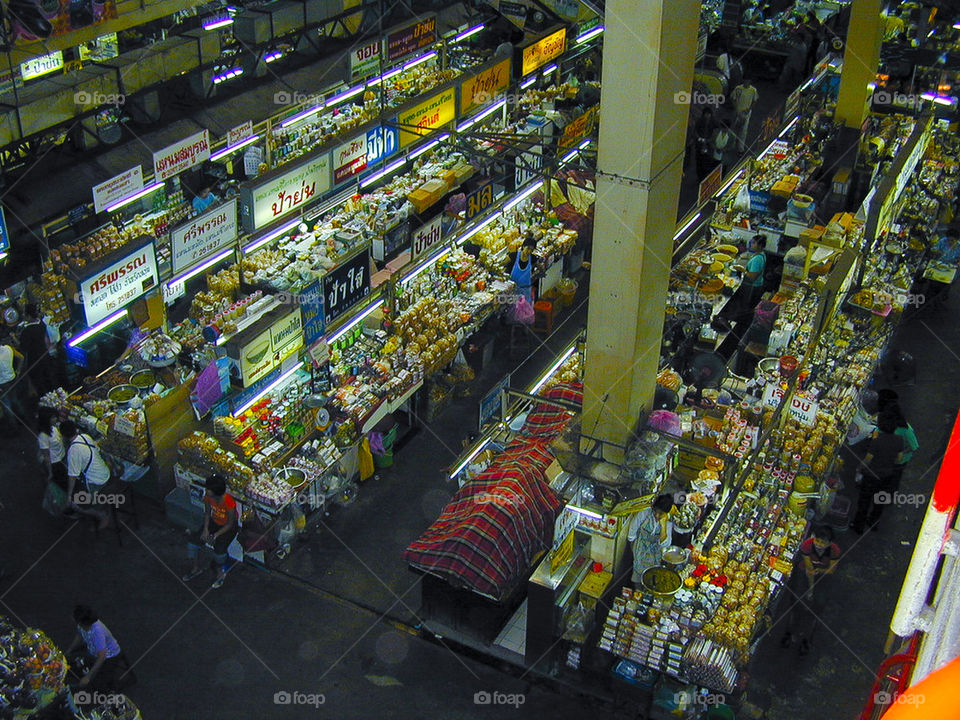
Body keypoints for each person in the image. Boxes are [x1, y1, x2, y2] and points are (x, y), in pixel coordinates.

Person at [779, 525, 840, 655]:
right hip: (806, 575)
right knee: (796, 605)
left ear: (830, 543)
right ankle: (789, 633)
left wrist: (820, 571)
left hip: (823, 578)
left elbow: (832, 569)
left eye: (823, 542)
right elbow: (809, 569)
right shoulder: (807, 546)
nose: (819, 545)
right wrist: (810, 591)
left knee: (816, 610)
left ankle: (807, 640)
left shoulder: (834, 551)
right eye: (818, 541)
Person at [851, 413, 905, 534]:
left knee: (864, 501)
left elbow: (868, 459)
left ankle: (858, 526)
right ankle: (873, 523)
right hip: (887, 476)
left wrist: (859, 468)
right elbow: (899, 459)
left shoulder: (877, 441)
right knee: (879, 502)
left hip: (871, 476)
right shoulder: (899, 440)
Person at [183, 474, 238, 589]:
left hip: (227, 528)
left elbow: (230, 523)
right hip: (214, 523)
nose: (207, 490)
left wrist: (216, 535)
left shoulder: (228, 501)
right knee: (192, 543)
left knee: (219, 552)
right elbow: (207, 513)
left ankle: (220, 574)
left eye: (209, 489)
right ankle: (195, 568)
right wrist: (206, 529)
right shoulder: (208, 497)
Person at [62, 420, 112, 528]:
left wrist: (69, 496)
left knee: (76, 505)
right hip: (106, 472)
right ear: (75, 429)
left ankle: (102, 515)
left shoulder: (73, 451)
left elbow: (72, 477)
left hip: (97, 482)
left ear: (64, 436)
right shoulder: (85, 436)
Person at [66, 605, 124, 691]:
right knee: (74, 665)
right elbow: (79, 635)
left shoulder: (97, 633)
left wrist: (87, 677)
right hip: (93, 650)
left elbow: (102, 657)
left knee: (97, 687)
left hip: (109, 657)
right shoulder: (82, 625)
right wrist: (70, 649)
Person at [627, 494, 674, 584]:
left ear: (666, 513)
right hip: (640, 551)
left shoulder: (668, 522)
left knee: (651, 578)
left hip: (655, 556)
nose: (656, 515)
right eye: (655, 511)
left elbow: (665, 544)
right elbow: (632, 533)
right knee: (637, 577)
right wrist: (634, 550)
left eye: (661, 514)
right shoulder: (644, 513)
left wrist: (663, 525)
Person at [18, 304, 54, 397]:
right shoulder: (42, 324)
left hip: (34, 360)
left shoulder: (27, 331)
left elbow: (23, 348)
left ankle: (46, 401)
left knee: (40, 383)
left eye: (24, 314)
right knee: (49, 379)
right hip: (45, 356)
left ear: (29, 316)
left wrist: (14, 338)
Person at [38, 406, 67, 489]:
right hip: (56, 464)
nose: (56, 419)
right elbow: (46, 456)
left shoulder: (53, 428)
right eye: (53, 418)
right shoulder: (43, 436)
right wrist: (50, 472)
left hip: (62, 457)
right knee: (63, 483)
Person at [0, 334, 25, 431]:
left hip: (2, 383)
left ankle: (13, 427)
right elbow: (21, 358)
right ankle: (22, 419)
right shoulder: (8, 348)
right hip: (12, 378)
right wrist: (18, 371)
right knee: (15, 400)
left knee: (7, 406)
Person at [729, 78, 758, 150]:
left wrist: (749, 109)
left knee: (743, 131)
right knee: (734, 129)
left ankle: (740, 148)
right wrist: (736, 108)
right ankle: (731, 145)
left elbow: (754, 100)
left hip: (746, 113)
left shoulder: (753, 90)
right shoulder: (738, 88)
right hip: (737, 112)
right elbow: (733, 98)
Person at [508, 235, 536, 305]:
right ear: (523, 246)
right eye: (528, 248)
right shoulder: (513, 256)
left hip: (526, 291)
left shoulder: (533, 258)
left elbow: (535, 268)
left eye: (531, 250)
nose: (529, 251)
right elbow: (501, 264)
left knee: (525, 311)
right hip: (513, 291)